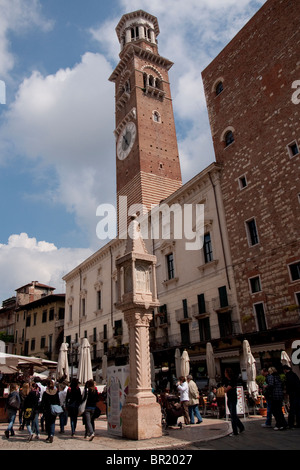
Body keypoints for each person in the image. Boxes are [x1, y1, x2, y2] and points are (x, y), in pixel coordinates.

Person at [223, 368, 245, 436]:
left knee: (233, 415)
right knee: (233, 414)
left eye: (225, 372)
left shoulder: (232, 380)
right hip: (230, 398)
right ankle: (241, 427)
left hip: (233, 398)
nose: (224, 374)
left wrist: (225, 388)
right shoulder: (227, 381)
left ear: (227, 373)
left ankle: (235, 431)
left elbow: (226, 389)